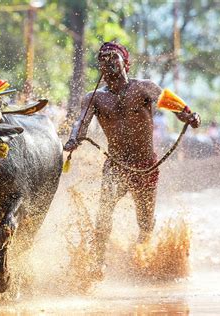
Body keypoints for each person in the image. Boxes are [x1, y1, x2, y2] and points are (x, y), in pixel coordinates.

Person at [64, 42, 201, 278]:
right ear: (99, 68)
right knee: (103, 215)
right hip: (116, 164)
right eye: (103, 59)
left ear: (125, 62)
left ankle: (142, 262)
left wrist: (190, 116)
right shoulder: (93, 98)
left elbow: (178, 107)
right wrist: (73, 140)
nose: (108, 61)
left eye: (113, 56)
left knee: (145, 222)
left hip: (146, 165)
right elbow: (81, 124)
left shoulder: (145, 88)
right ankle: (96, 264)